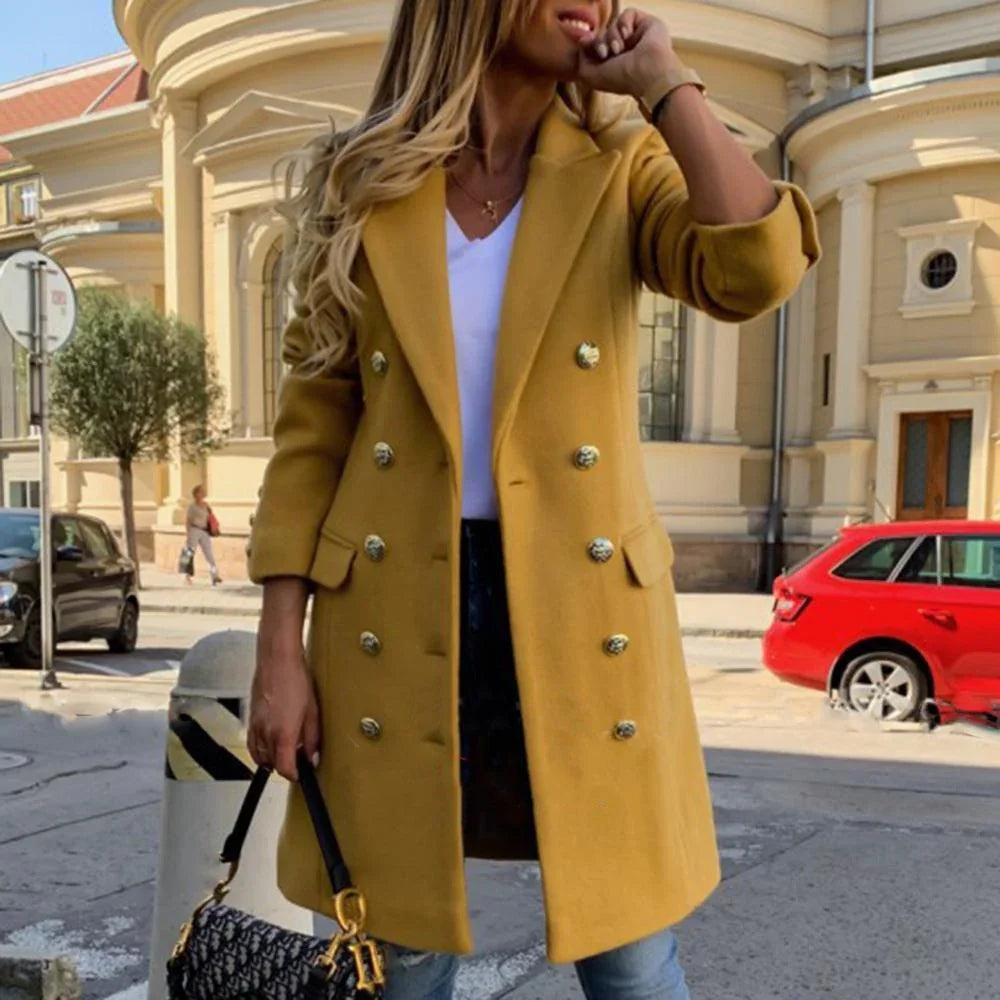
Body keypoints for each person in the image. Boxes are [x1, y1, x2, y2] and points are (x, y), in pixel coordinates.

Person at [246, 2, 820, 998]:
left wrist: (665, 85)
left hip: (580, 602)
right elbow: (312, 434)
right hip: (395, 600)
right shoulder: (363, 181)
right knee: (402, 951)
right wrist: (277, 649)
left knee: (631, 952)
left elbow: (755, 269)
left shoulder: (622, 165)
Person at [184, 484, 222, 586]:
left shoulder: (206, 505)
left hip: (204, 531)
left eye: (203, 491)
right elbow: (188, 521)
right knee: (189, 553)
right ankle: (187, 576)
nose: (203, 493)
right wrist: (188, 534)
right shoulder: (192, 506)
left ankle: (215, 576)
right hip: (194, 530)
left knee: (209, 554)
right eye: (201, 491)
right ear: (196, 494)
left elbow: (210, 517)